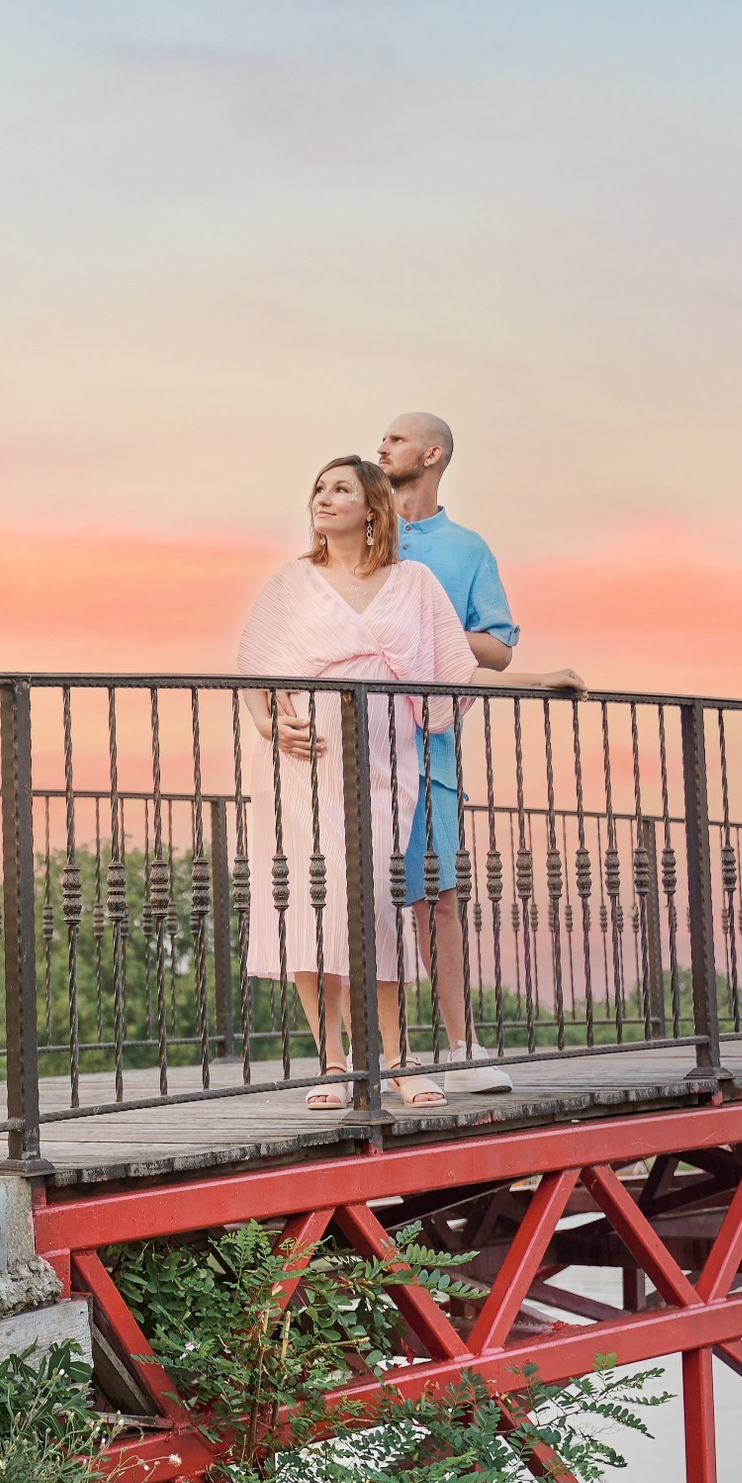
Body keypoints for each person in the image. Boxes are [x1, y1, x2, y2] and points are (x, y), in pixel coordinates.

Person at [237, 455, 579, 1111]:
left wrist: (537, 681)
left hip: (386, 763)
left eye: (341, 488)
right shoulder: (291, 582)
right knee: (314, 904)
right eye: (318, 487)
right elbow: (252, 667)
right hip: (300, 764)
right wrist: (265, 727)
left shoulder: (414, 582)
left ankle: (396, 1061)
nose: (324, 497)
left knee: (380, 906)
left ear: (372, 507)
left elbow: (456, 672)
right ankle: (333, 1064)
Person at [379, 412, 516, 1096]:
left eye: (397, 438)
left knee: (436, 899)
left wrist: (432, 628)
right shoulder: (362, 532)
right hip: (358, 746)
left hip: (429, 748)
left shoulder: (467, 550)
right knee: (361, 899)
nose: (382, 446)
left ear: (432, 454)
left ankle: (463, 1046)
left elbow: (499, 647)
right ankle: (375, 1057)